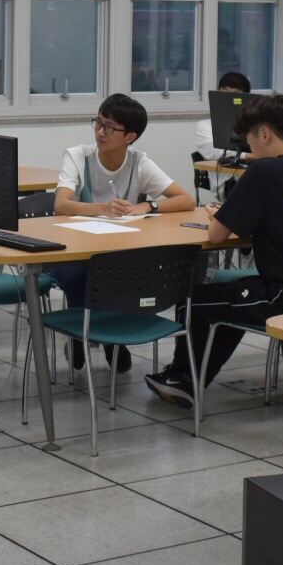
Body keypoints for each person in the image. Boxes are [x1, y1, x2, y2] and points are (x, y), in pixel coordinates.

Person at [146, 93, 283, 407]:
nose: (250, 152)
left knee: (197, 301)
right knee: (232, 297)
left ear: (265, 133)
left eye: (250, 143)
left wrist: (218, 216)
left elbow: (217, 236)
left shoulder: (263, 171)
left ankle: (183, 380)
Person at [52, 93, 193, 372]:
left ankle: (105, 338)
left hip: (116, 253)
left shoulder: (139, 162)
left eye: (110, 128)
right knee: (84, 278)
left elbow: (186, 200)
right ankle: (87, 336)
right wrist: (103, 208)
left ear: (130, 137)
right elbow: (61, 204)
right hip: (73, 252)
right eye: (98, 123)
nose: (100, 132)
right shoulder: (78, 156)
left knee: (116, 274)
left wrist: (148, 205)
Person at [195, 71, 251, 199]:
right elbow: (211, 152)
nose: (228, 98)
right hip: (228, 183)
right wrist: (248, 156)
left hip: (255, 175)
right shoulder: (206, 125)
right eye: (224, 92)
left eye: (235, 94)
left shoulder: (255, 125)